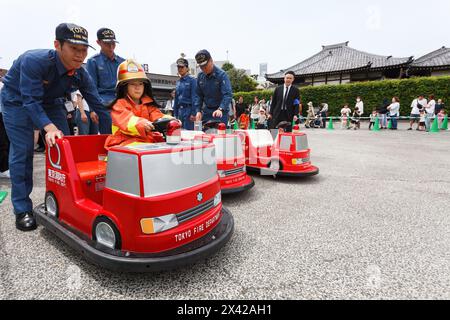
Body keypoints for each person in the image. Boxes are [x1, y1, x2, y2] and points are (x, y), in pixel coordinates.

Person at [0, 23, 111, 231]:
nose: (80, 55)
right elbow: (30, 101)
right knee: (23, 151)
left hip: (51, 103)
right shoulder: (34, 60)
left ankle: (66, 201)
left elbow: (100, 108)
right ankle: (22, 208)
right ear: (57, 45)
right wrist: (48, 127)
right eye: (74, 49)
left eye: (84, 50)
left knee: (66, 148)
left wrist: (110, 141)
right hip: (17, 102)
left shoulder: (81, 73)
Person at [105, 59, 174, 149]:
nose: (137, 87)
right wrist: (143, 123)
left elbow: (158, 116)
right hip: (122, 143)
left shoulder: (148, 105)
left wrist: (171, 120)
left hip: (145, 142)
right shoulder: (118, 105)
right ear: (124, 87)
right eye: (133, 84)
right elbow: (127, 120)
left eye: (140, 83)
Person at [86, 28, 125, 134]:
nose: (111, 47)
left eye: (113, 43)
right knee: (108, 136)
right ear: (98, 43)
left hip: (122, 103)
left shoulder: (123, 63)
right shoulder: (93, 62)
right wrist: (93, 110)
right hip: (103, 104)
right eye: (107, 43)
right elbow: (91, 88)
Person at [194, 50, 233, 126]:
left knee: (219, 136)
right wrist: (198, 110)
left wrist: (221, 108)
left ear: (211, 61)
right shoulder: (200, 77)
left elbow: (227, 94)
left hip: (220, 113)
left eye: (205, 65)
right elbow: (198, 95)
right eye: (201, 66)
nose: (203, 68)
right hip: (207, 112)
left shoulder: (222, 75)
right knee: (205, 135)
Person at [173, 58, 198, 130]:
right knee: (180, 134)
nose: (179, 69)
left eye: (182, 67)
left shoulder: (192, 80)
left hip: (189, 111)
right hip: (180, 112)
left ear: (187, 68)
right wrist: (175, 115)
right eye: (178, 67)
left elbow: (194, 98)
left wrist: (193, 113)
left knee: (189, 134)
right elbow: (176, 99)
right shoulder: (178, 82)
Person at [0, 79, 10, 179]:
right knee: (3, 143)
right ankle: (3, 169)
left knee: (3, 142)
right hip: (3, 114)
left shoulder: (3, 84)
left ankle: (3, 168)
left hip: (3, 114)